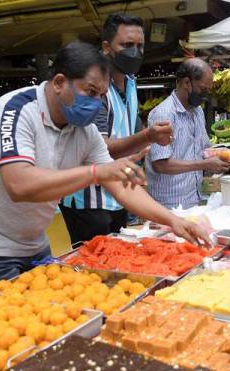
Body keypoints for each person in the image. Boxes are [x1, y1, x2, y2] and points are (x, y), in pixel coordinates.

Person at [0, 41, 209, 286]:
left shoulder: (84, 130)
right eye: (90, 92)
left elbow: (120, 185)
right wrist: (96, 172)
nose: (95, 104)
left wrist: (172, 220)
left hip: (32, 244)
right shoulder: (16, 111)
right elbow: (19, 184)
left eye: (100, 96)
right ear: (59, 82)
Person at [59, 14, 173, 244]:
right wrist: (146, 136)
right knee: (93, 268)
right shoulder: (95, 91)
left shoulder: (131, 82)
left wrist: (149, 139)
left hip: (119, 193)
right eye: (127, 45)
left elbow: (132, 128)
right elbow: (100, 149)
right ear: (106, 47)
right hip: (90, 202)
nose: (135, 52)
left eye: (140, 46)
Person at [146, 58, 230, 209]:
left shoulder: (197, 111)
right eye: (203, 89)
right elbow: (160, 164)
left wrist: (220, 155)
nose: (205, 95)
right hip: (169, 206)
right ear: (186, 83)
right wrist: (204, 164)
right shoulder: (163, 114)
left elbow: (202, 148)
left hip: (194, 200)